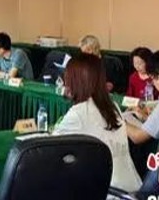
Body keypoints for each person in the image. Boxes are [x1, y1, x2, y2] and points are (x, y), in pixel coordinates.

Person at [53, 53, 141, 192]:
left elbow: (51, 149)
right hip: (131, 186)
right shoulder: (112, 106)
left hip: (108, 191)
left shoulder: (79, 112)